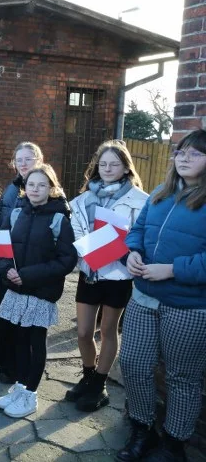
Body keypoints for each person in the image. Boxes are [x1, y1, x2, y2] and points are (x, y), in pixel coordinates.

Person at [117, 130, 206, 461]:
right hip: (143, 297)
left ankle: (173, 444)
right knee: (133, 363)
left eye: (195, 154)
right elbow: (136, 232)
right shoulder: (159, 192)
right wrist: (132, 254)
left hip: (188, 306)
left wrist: (172, 269)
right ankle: (142, 430)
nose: (184, 158)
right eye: (181, 152)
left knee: (182, 377)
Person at [67, 140, 147, 413]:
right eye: (103, 164)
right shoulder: (81, 200)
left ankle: (99, 384)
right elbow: (76, 231)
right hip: (90, 271)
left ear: (126, 168)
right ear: (96, 167)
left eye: (115, 164)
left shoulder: (141, 200)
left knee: (107, 330)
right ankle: (88, 376)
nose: (108, 168)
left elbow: (139, 236)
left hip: (119, 275)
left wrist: (118, 250)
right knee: (83, 331)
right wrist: (93, 251)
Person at [0, 164, 77, 418]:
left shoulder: (59, 218)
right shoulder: (17, 212)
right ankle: (20, 386)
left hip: (40, 291)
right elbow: (0, 247)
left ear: (52, 189)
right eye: (31, 185)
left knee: (34, 342)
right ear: (24, 188)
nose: (35, 189)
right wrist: (6, 270)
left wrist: (27, 276)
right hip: (15, 288)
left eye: (42, 185)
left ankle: (30, 395)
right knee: (18, 339)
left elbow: (66, 260)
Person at [0, 141, 44, 384]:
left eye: (28, 159)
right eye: (19, 160)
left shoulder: (42, 187)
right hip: (6, 262)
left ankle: (18, 371)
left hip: (27, 266)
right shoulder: (12, 187)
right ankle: (4, 363)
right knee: (4, 315)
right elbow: (0, 216)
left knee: (22, 324)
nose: (23, 164)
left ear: (38, 161)